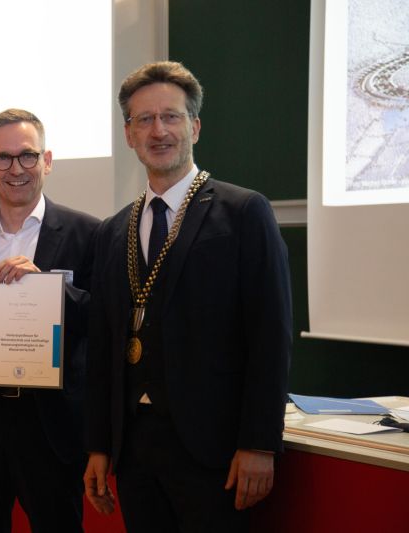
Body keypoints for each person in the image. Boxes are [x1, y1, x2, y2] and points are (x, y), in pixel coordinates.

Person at [83, 61, 292, 531]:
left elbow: (270, 334)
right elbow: (103, 346)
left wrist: (259, 442)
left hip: (216, 450)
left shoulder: (244, 212)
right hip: (134, 451)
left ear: (194, 127)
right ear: (129, 134)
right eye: (144, 119)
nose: (158, 131)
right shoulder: (113, 231)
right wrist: (98, 445)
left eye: (171, 117)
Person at [0, 108, 99, 532]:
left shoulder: (88, 232)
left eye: (27, 155)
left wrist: (49, 287)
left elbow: (100, 322)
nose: (16, 169)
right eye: (3, 158)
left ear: (47, 160)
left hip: (51, 427)